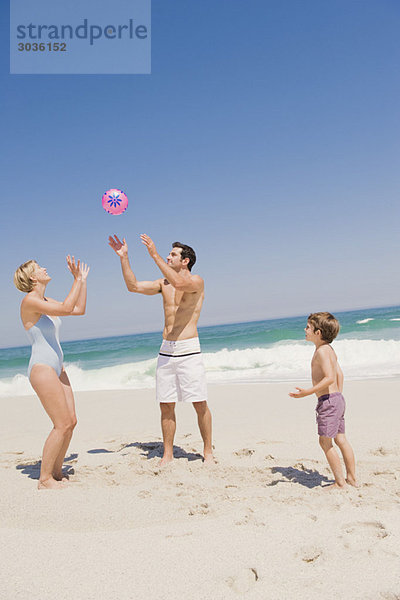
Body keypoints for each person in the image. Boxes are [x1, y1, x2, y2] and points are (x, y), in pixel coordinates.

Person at [109, 233, 214, 465]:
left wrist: (154, 254)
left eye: (173, 254)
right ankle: (168, 453)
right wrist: (124, 258)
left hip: (189, 348)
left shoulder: (196, 281)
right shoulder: (162, 284)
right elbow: (133, 286)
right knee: (166, 404)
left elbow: (179, 283)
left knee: (199, 403)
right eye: (167, 253)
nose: (168, 256)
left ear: (185, 260)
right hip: (166, 349)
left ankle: (208, 451)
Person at [14, 257, 90, 489]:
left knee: (71, 421)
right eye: (39, 268)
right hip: (42, 368)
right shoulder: (30, 301)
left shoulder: (44, 300)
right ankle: (44, 479)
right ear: (33, 277)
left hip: (58, 368)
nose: (45, 268)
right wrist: (75, 279)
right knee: (61, 423)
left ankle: (56, 473)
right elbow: (67, 308)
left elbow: (78, 310)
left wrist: (83, 281)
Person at [289, 312, 357, 489]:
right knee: (341, 439)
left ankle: (340, 482)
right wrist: (338, 395)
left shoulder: (321, 352)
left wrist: (308, 392)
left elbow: (328, 378)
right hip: (336, 400)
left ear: (318, 332)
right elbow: (339, 374)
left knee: (325, 442)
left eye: (308, 328)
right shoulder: (329, 350)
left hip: (329, 401)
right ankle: (351, 478)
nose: (305, 330)